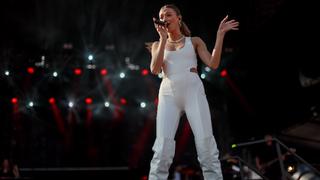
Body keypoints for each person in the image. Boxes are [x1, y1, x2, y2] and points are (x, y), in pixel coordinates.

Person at [147, 4, 239, 180]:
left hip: (193, 91)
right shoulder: (158, 44)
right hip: (168, 93)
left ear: (178, 18)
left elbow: (213, 63)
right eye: (161, 15)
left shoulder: (194, 41)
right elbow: (155, 69)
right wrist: (163, 39)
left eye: (168, 14)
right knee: (163, 147)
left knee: (205, 142)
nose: (164, 18)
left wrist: (220, 35)